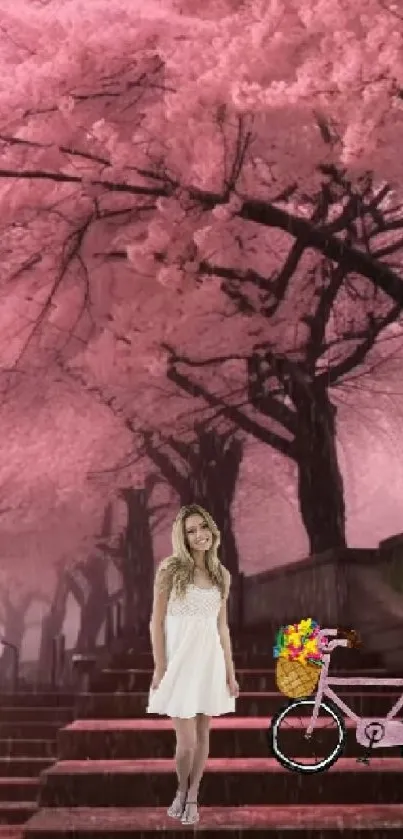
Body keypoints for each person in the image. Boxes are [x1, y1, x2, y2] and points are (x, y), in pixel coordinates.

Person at [146, 503, 239, 825]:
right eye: (191, 531)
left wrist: (230, 671)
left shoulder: (221, 574)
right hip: (179, 661)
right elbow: (156, 622)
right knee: (185, 742)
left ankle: (194, 794)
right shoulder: (171, 570)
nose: (199, 535)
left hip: (210, 660)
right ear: (182, 538)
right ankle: (180, 790)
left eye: (203, 528)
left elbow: (222, 626)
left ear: (212, 531)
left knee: (203, 733)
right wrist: (160, 666)